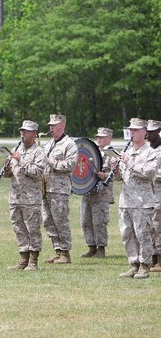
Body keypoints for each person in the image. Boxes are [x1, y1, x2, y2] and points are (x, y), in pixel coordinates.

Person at [115, 118, 157, 279]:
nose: (132, 132)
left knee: (143, 235)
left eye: (135, 130)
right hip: (125, 201)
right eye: (131, 130)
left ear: (144, 132)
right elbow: (120, 178)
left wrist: (130, 162)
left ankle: (145, 266)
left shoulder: (150, 152)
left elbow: (149, 173)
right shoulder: (127, 152)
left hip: (142, 202)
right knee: (127, 234)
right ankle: (133, 264)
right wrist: (116, 169)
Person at [3, 120, 46, 270]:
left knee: (32, 229)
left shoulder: (38, 152)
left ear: (34, 134)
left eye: (26, 131)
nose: (23, 133)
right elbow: (10, 175)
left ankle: (33, 261)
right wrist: (7, 168)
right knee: (18, 228)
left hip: (30, 198)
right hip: (15, 197)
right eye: (22, 131)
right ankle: (23, 259)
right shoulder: (17, 149)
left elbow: (38, 172)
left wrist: (20, 160)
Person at [41, 114, 78, 264]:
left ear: (62, 126)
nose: (51, 128)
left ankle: (65, 253)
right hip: (46, 187)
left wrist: (50, 161)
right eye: (50, 125)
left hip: (59, 189)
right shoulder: (49, 144)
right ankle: (57, 250)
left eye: (54, 125)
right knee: (48, 220)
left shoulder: (69, 144)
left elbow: (70, 165)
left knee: (60, 220)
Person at [80, 128, 115, 259]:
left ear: (109, 138)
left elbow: (115, 174)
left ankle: (101, 248)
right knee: (86, 220)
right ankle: (91, 247)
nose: (99, 139)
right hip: (88, 191)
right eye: (98, 137)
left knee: (99, 221)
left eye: (102, 137)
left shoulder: (112, 155)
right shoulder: (92, 152)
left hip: (102, 193)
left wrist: (104, 175)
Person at [145, 119, 161, 272]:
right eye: (147, 131)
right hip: (147, 194)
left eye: (152, 132)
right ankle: (153, 258)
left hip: (159, 192)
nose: (148, 134)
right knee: (149, 227)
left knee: (158, 226)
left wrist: (148, 172)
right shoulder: (147, 150)